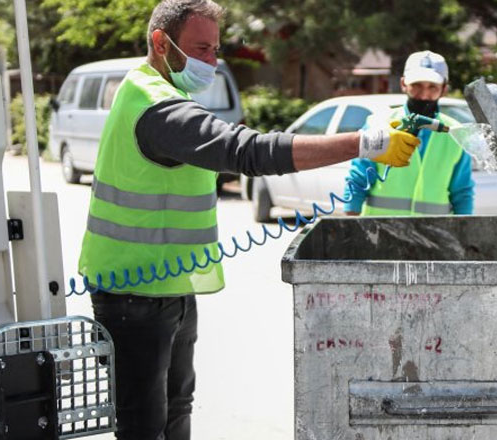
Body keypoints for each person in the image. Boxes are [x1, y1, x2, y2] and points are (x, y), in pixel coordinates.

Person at [76, 1, 419, 438]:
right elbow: (249, 152)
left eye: (215, 49)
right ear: (161, 43)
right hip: (133, 292)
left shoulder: (164, 94)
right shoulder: (156, 106)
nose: (211, 62)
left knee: (177, 408)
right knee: (144, 423)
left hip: (167, 284)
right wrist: (363, 142)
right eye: (200, 48)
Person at [343, 50, 475, 216]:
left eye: (432, 87)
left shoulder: (455, 133)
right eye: (417, 85)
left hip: (435, 234)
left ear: (444, 89)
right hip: (380, 231)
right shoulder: (378, 123)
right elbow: (357, 179)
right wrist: (349, 227)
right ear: (403, 84)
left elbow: (462, 192)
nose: (424, 95)